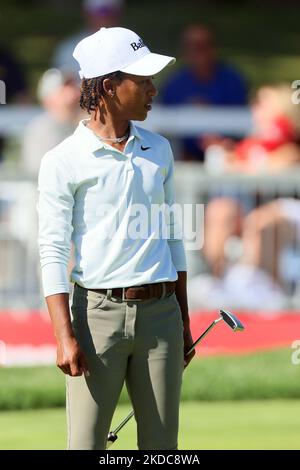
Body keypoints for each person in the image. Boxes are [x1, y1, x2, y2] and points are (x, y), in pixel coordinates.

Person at [37, 26, 195, 450]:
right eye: (141, 81)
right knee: (86, 446)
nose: (152, 90)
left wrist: (182, 317)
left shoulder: (159, 149)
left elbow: (173, 237)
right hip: (96, 317)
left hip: (161, 316)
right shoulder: (63, 160)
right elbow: (52, 248)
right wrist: (63, 335)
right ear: (109, 86)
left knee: (162, 451)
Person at [160, 24, 247, 161]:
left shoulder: (232, 80)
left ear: (214, 48)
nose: (198, 51)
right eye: (191, 46)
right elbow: (163, 124)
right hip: (182, 157)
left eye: (203, 46)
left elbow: (243, 123)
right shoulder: (174, 83)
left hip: (227, 155)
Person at [22, 68, 82, 177]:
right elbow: (40, 173)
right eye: (64, 88)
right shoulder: (41, 129)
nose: (73, 93)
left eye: (73, 86)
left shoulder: (81, 125)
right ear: (48, 98)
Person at [52, 0, 124, 74]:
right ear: (86, 14)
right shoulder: (68, 48)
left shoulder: (129, 43)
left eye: (111, 12)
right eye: (101, 12)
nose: (106, 18)